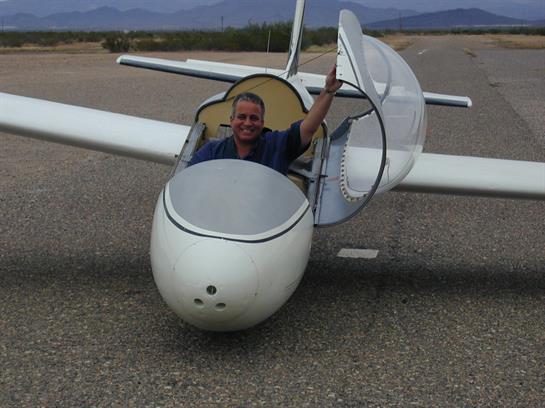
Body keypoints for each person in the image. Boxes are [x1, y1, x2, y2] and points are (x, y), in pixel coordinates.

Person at [189, 66, 342, 175]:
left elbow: (308, 128)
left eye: (254, 118)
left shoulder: (277, 145)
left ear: (262, 123)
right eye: (242, 117)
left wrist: (329, 91)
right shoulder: (210, 152)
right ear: (231, 120)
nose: (247, 123)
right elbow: (188, 180)